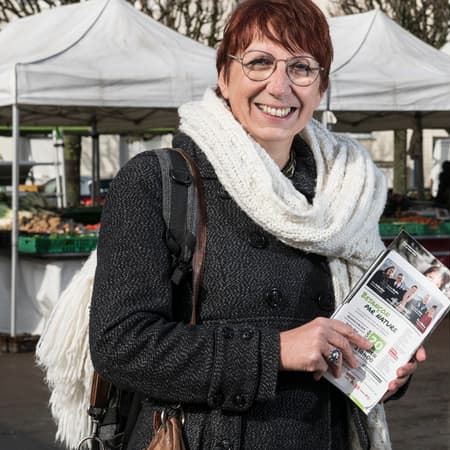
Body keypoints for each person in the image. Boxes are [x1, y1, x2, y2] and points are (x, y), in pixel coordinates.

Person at [88, 1, 423, 448]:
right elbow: (121, 345)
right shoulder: (157, 180)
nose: (279, 86)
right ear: (225, 78)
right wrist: (276, 351)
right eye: (259, 62)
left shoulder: (346, 196)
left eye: (302, 67)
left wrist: (384, 369)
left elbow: (349, 337)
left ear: (321, 88)